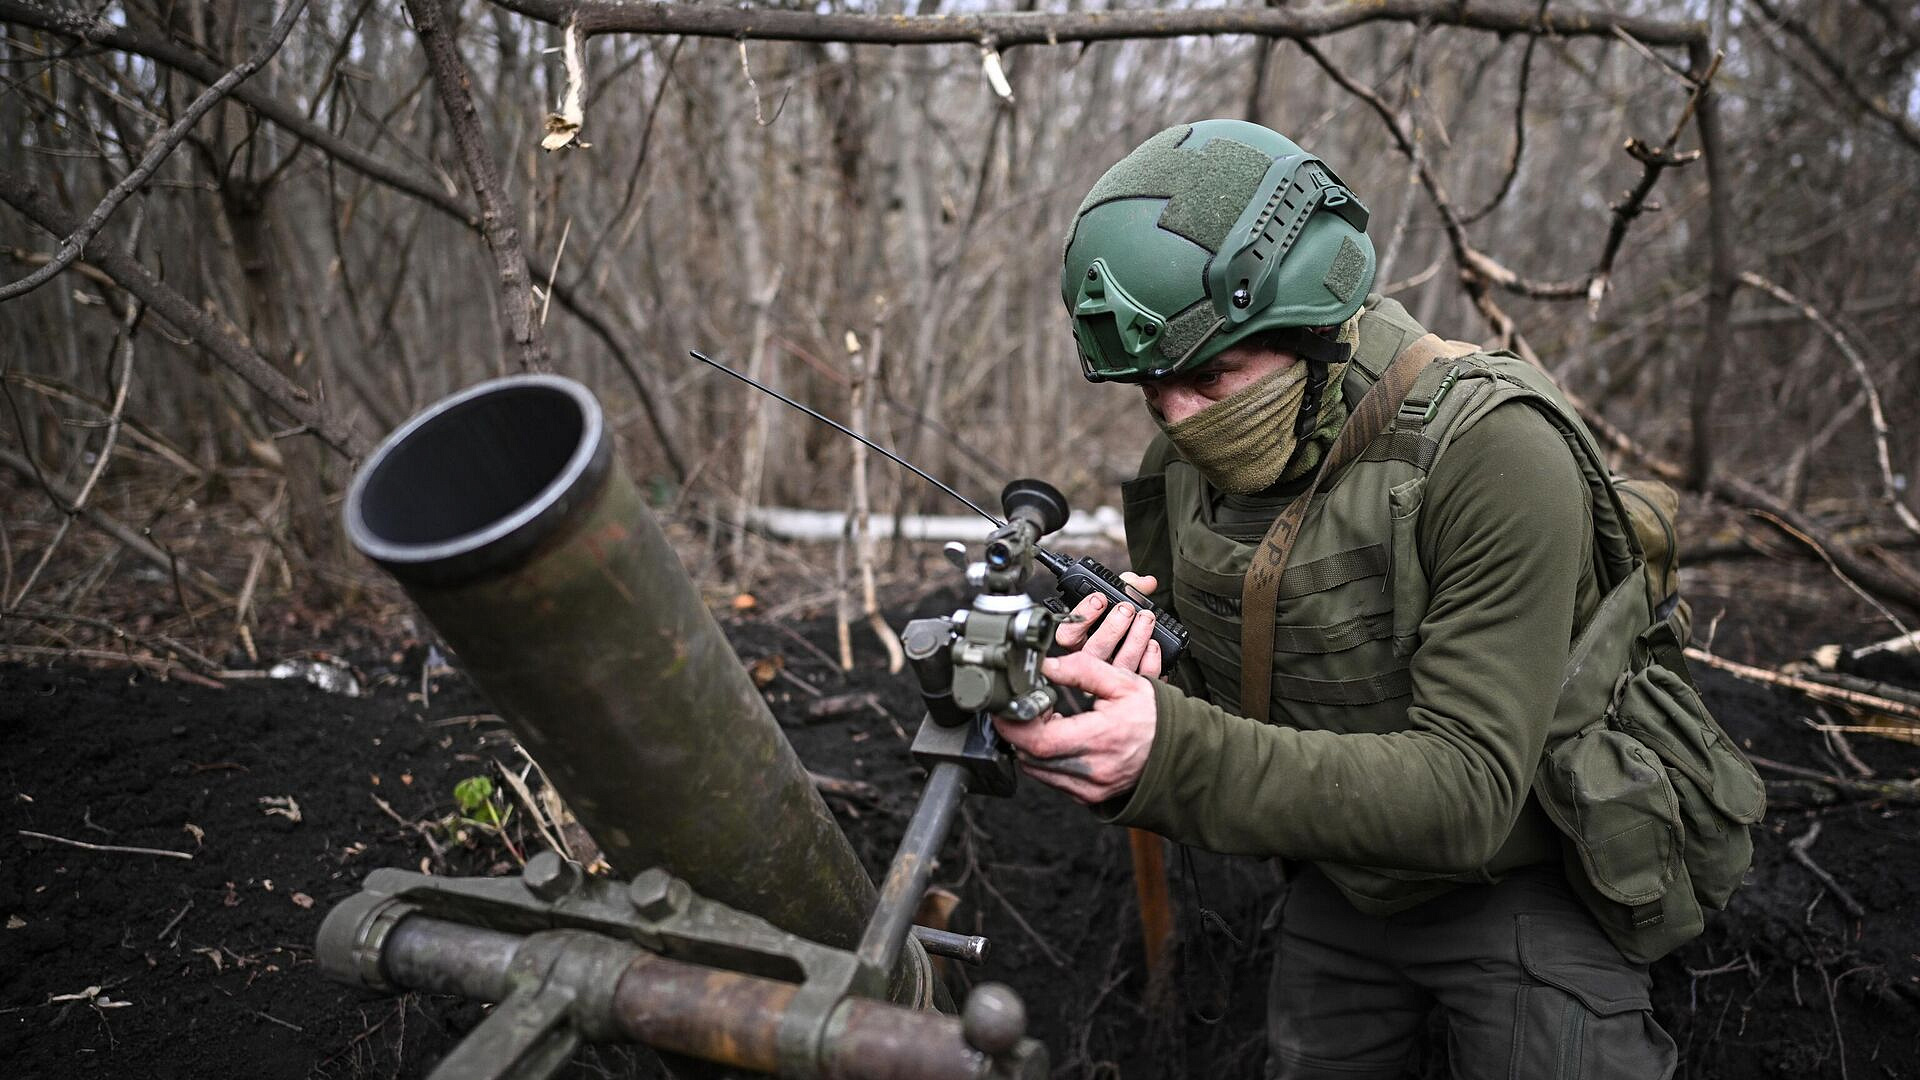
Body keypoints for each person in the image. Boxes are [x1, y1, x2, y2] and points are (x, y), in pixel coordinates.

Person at [991, 119, 1684, 1079]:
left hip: (1528, 873)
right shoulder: (1185, 470)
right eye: (1151, 388)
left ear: (1314, 323)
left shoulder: (1494, 450)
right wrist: (1135, 679)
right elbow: (1243, 719)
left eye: (1210, 377)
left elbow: (1472, 794)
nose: (1180, 418)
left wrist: (1169, 750)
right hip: (1339, 881)